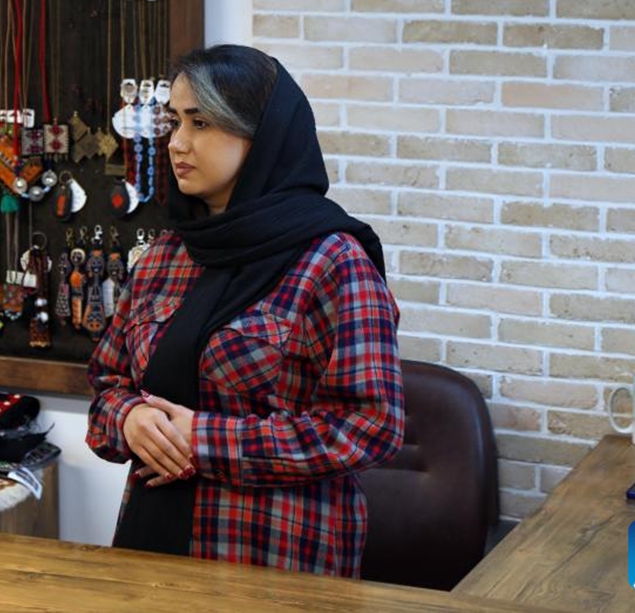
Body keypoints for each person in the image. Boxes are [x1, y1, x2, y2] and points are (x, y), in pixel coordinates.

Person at [85, 44, 404, 578]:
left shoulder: (331, 261)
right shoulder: (169, 254)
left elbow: (371, 426)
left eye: (203, 122)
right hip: (152, 546)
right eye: (176, 121)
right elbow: (106, 383)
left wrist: (205, 441)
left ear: (263, 136)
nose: (178, 143)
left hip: (272, 560)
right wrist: (130, 419)